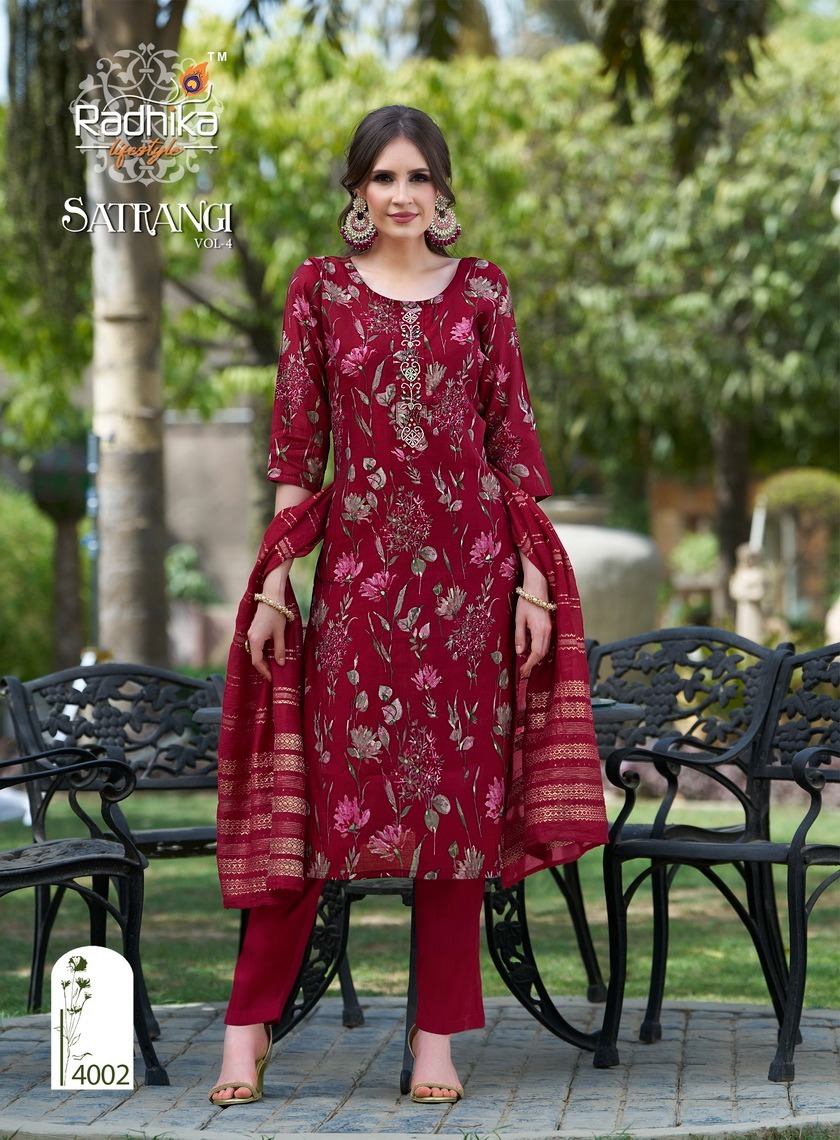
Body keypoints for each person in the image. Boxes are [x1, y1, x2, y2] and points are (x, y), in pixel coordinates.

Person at [209, 104, 607, 1108]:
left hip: (472, 582)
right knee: (317, 806)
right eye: (383, 177)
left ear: (442, 190)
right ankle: (246, 1031)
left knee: (454, 812)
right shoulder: (320, 290)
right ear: (357, 191)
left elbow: (512, 445)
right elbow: (297, 450)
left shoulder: (483, 291)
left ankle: (438, 1041)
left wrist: (530, 584)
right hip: (359, 585)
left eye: (418, 177)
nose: (401, 195)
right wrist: (275, 582)